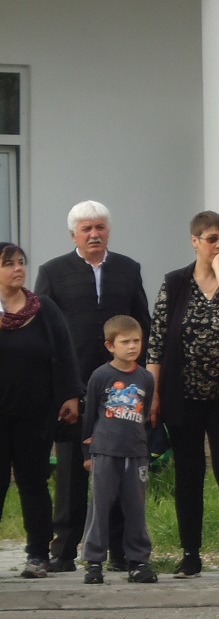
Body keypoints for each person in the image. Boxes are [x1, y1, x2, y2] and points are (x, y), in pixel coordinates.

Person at [35, 200, 150, 573]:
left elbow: (143, 324)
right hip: (74, 387)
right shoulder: (53, 272)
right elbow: (45, 332)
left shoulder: (128, 270)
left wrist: (144, 379)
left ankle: (120, 551)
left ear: (108, 231)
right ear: (74, 235)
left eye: (100, 227)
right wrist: (59, 388)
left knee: (118, 466)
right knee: (71, 470)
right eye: (86, 229)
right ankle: (64, 550)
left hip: (122, 388)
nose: (94, 234)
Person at [148, 212, 219, 578]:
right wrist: (153, 393)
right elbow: (157, 341)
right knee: (188, 475)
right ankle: (190, 553)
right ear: (194, 241)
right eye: (212, 239)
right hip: (183, 397)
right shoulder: (174, 283)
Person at [0, 242, 82, 579]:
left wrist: (71, 395)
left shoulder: (43, 308)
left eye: (21, 262)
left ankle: (37, 554)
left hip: (35, 413)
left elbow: (64, 351)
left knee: (33, 481)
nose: (18, 268)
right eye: (9, 263)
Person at [80, 315, 157, 585]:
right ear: (110, 345)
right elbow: (89, 416)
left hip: (135, 454)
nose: (132, 346)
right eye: (125, 342)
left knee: (135, 509)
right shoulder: (100, 376)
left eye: (137, 341)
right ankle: (94, 561)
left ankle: (138, 561)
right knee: (100, 507)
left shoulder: (145, 377)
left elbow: (144, 416)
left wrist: (143, 448)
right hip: (105, 452)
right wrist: (87, 454)